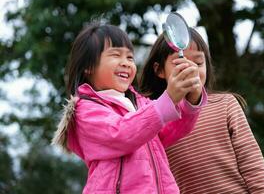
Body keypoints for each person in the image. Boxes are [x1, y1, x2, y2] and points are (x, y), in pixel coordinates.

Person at [51, 22, 207, 194]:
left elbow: (170, 131)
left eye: (130, 57)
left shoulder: (140, 103)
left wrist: (192, 100)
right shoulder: (85, 109)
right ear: (88, 66)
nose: (126, 63)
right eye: (116, 55)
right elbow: (122, 133)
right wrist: (168, 99)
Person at [139, 28, 264, 193]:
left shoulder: (225, 105)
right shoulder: (152, 117)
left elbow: (252, 165)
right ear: (159, 70)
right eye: (180, 62)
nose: (191, 69)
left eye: (198, 63)